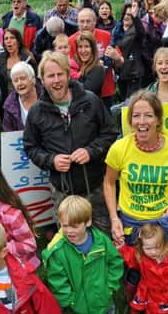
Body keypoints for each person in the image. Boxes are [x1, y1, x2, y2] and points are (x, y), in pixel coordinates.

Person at [23, 51, 118, 235]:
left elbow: (110, 132)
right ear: (42, 80)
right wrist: (51, 160)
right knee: (70, 240)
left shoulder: (90, 100)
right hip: (62, 190)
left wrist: (91, 151)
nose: (56, 80)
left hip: (95, 186)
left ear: (68, 75)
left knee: (102, 238)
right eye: (51, 76)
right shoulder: (37, 112)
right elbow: (30, 147)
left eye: (60, 74)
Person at [104, 90, 168, 247]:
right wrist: (114, 218)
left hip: (164, 220)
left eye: (148, 115)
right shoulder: (119, 148)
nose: (141, 121)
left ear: (158, 119)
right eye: (136, 116)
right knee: (134, 268)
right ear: (130, 120)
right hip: (131, 221)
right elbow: (109, 183)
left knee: (161, 268)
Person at [43, 196, 125, 314]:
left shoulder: (101, 241)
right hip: (80, 298)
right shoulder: (58, 251)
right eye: (64, 225)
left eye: (74, 226)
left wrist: (111, 285)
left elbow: (115, 262)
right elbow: (57, 279)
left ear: (87, 222)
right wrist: (70, 300)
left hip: (104, 291)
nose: (69, 231)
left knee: (108, 311)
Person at [2, 61, 43, 132]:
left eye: (23, 78)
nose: (19, 83)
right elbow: (8, 134)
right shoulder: (9, 105)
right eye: (15, 80)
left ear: (33, 79)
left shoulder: (47, 97)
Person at [1, 28, 37, 96]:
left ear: (18, 41)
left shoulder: (28, 58)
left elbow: (36, 80)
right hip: (7, 100)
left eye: (12, 38)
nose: (9, 41)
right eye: (6, 39)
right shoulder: (0, 59)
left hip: (26, 96)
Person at [74, 31, 106, 97]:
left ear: (93, 49)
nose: (83, 51)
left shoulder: (98, 68)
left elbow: (86, 92)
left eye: (87, 46)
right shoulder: (77, 64)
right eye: (80, 47)